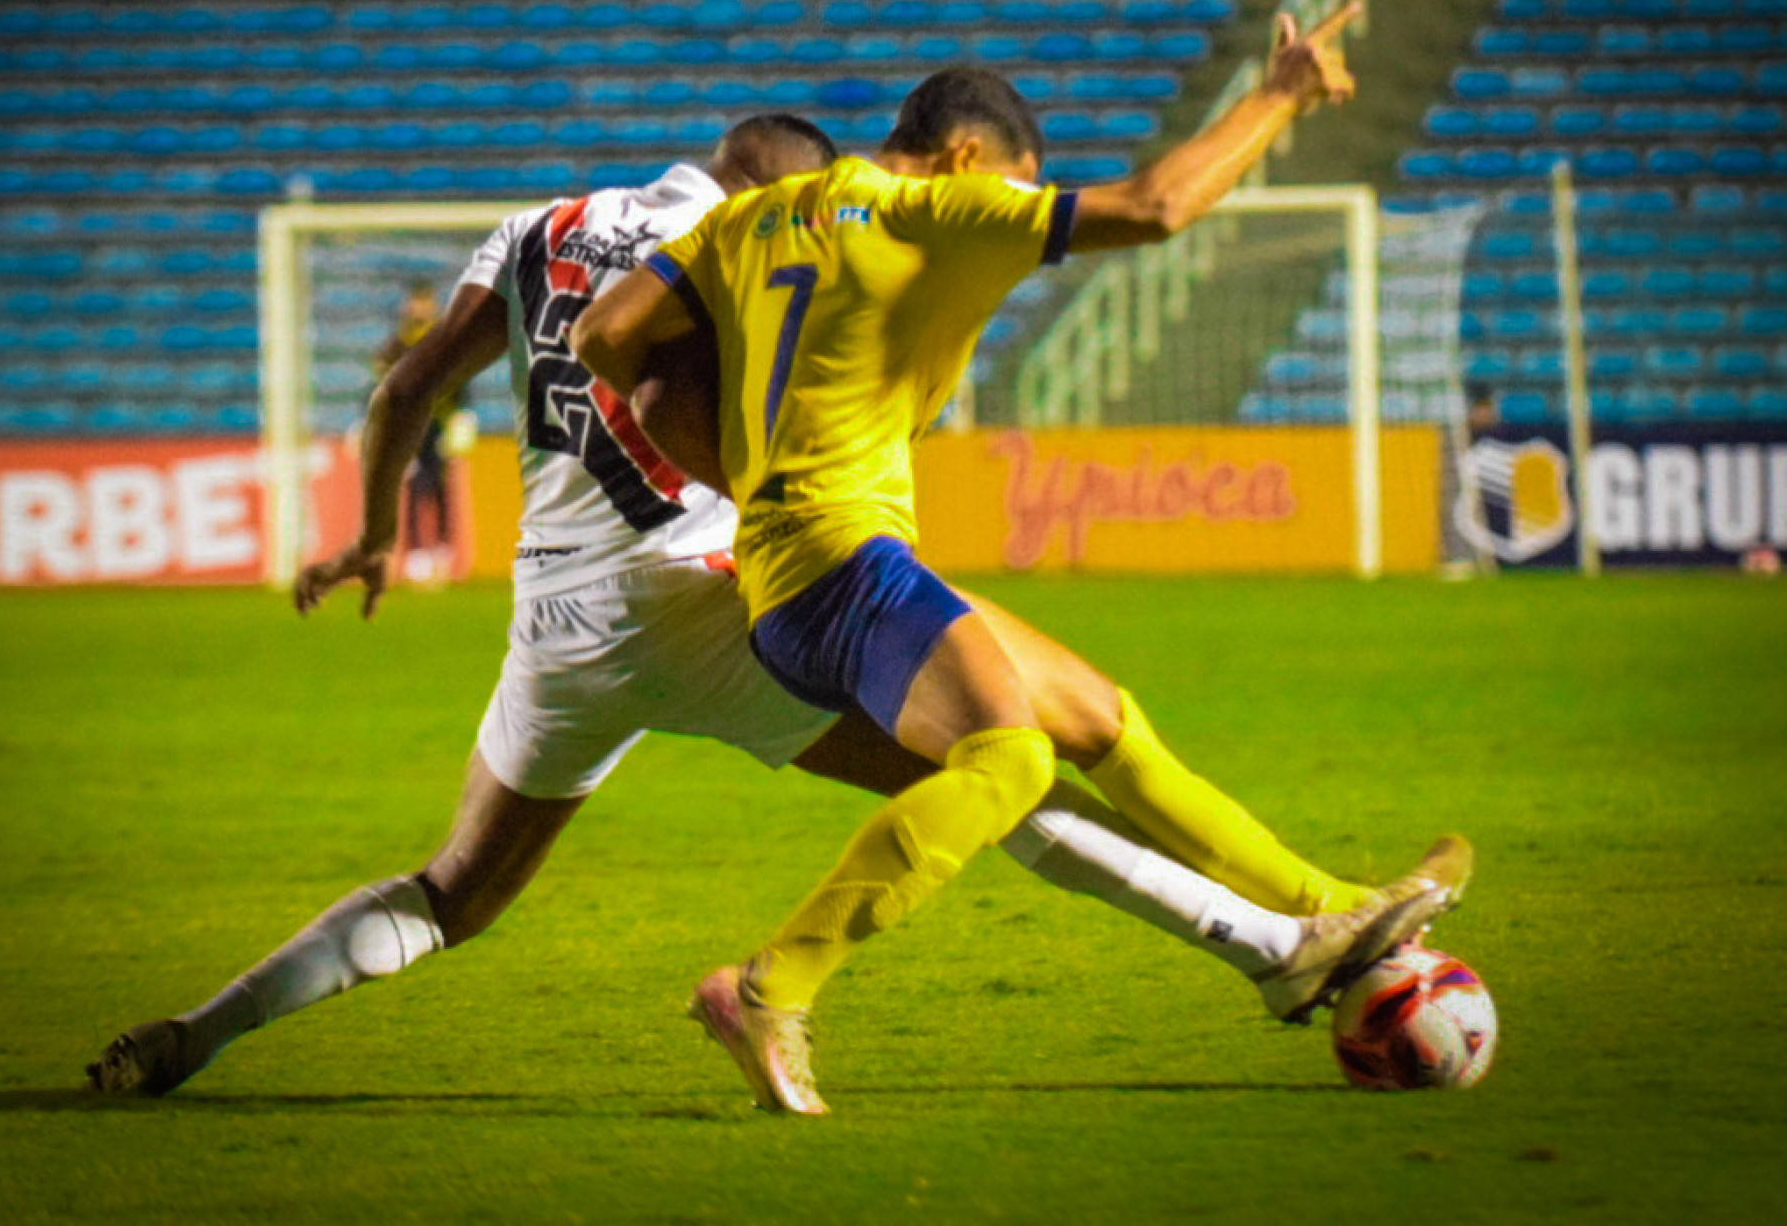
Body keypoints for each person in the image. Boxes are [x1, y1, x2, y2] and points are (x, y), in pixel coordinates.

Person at [86, 109, 1457, 1102]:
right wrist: (775, 476)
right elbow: (670, 389)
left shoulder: (540, 228)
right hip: (714, 593)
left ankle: (189, 1040)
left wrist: (376, 534)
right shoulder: (749, 232)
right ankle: (1279, 941)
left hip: (555, 632)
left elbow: (404, 393)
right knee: (1002, 763)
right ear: (786, 176)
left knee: (452, 893)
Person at [573, 3, 1468, 1115]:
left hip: (795, 566)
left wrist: (740, 472)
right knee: (1010, 762)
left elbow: (606, 342)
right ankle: (771, 986)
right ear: (964, 157)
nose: (1009, 207)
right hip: (841, 565)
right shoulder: (931, 206)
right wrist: (1279, 93)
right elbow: (1156, 207)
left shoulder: (744, 225)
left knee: (1099, 718)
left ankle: (1327, 906)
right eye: (1011, 183)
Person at [374, 282, 463, 583]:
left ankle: (442, 548)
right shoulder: (397, 344)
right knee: (413, 486)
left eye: (427, 302)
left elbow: (461, 380)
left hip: (438, 424)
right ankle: (415, 553)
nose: (422, 308)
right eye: (418, 302)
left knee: (438, 485)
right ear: (409, 305)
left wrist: (463, 417)